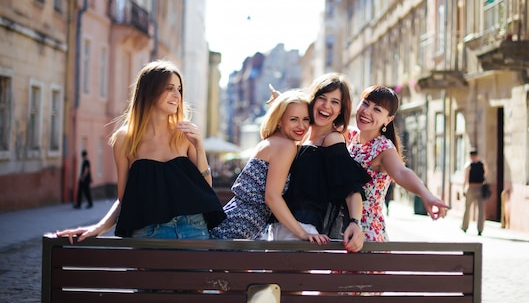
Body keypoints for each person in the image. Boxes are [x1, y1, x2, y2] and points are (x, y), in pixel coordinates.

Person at [57, 60, 225, 242]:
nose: (177, 95)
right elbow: (124, 199)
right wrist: (99, 227)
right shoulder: (125, 139)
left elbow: (205, 187)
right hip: (149, 234)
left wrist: (199, 148)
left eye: (179, 89)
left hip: (194, 230)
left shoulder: (185, 134)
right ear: (150, 91)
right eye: (170, 88)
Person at [209, 90, 327, 245]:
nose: (301, 126)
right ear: (279, 120)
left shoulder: (271, 141)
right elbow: (272, 197)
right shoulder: (286, 146)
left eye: (306, 119)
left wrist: (281, 102)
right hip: (239, 228)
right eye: (294, 119)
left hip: (236, 222)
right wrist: (302, 233)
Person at [269, 73, 369, 253]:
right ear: (312, 100)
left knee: (294, 281)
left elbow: (350, 186)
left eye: (335, 102)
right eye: (322, 98)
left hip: (303, 227)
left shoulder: (332, 139)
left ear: (341, 110)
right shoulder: (303, 134)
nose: (326, 106)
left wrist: (355, 222)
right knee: (278, 281)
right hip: (281, 224)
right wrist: (281, 101)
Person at [347, 85, 449, 242]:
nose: (367, 111)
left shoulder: (383, 147)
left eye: (377, 109)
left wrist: (425, 195)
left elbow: (401, 172)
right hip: (343, 229)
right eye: (366, 103)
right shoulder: (351, 136)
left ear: (388, 119)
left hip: (366, 233)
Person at [461, 150, 488, 235]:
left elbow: (466, 177)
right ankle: (480, 229)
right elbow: (486, 174)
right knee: (481, 209)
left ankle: (464, 227)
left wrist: (464, 188)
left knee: (467, 207)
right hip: (480, 186)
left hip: (471, 187)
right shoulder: (483, 164)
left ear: (471, 156)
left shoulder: (469, 165)